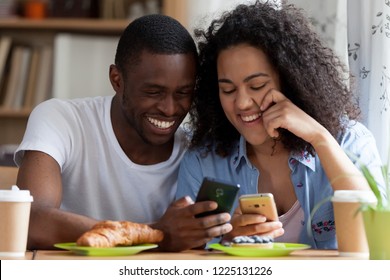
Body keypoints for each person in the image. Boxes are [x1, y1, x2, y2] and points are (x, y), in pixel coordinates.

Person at [176, 1, 386, 249]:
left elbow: (378, 241)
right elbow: (189, 261)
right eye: (228, 89)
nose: (242, 103)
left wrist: (320, 138)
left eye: (257, 86)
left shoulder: (349, 141)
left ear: (289, 79)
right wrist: (226, 243)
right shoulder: (204, 162)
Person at [14, 14, 232, 252]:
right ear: (117, 80)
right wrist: (154, 235)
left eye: (182, 93)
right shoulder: (62, 120)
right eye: (153, 92)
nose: (170, 109)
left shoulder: (196, 150)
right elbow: (29, 220)